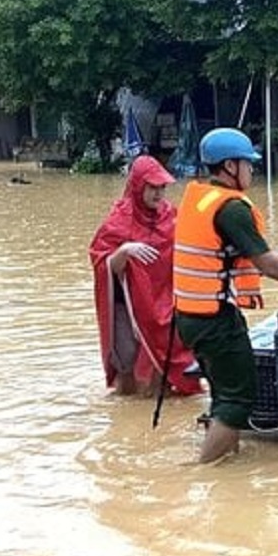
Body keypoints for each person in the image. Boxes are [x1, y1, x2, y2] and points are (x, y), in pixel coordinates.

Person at [173, 128, 278, 464]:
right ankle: (203, 472)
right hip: (216, 320)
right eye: (248, 164)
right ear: (229, 166)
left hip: (190, 315)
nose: (252, 170)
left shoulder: (201, 198)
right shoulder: (232, 209)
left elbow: (232, 255)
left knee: (223, 396)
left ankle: (227, 469)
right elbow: (267, 265)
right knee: (239, 401)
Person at [89, 154, 199, 397]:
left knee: (167, 353)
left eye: (162, 188)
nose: (158, 194)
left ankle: (159, 399)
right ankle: (126, 409)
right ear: (138, 186)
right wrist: (125, 251)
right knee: (126, 361)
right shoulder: (118, 221)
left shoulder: (171, 215)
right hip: (125, 304)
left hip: (163, 300)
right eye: (153, 187)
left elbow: (193, 245)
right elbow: (102, 264)